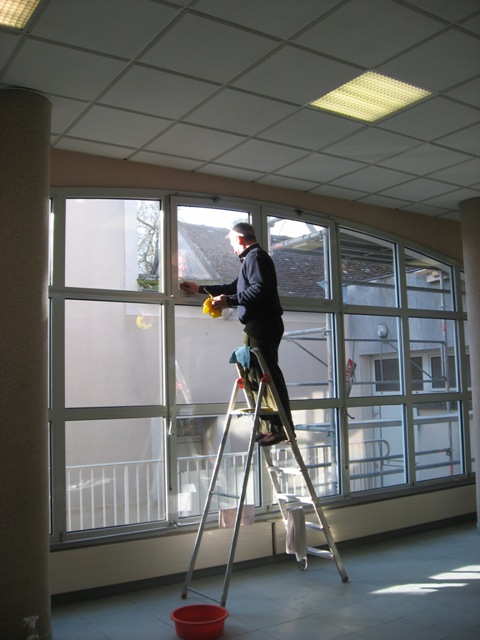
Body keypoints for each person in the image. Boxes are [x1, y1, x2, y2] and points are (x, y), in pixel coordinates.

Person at [180, 222, 295, 446]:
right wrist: (200, 289)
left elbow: (259, 290)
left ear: (240, 239)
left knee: (265, 375)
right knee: (257, 376)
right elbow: (235, 287)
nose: (232, 247)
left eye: (232, 242)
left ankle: (280, 428)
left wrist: (228, 301)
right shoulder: (252, 259)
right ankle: (271, 427)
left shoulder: (255, 258)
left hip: (262, 324)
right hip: (260, 324)